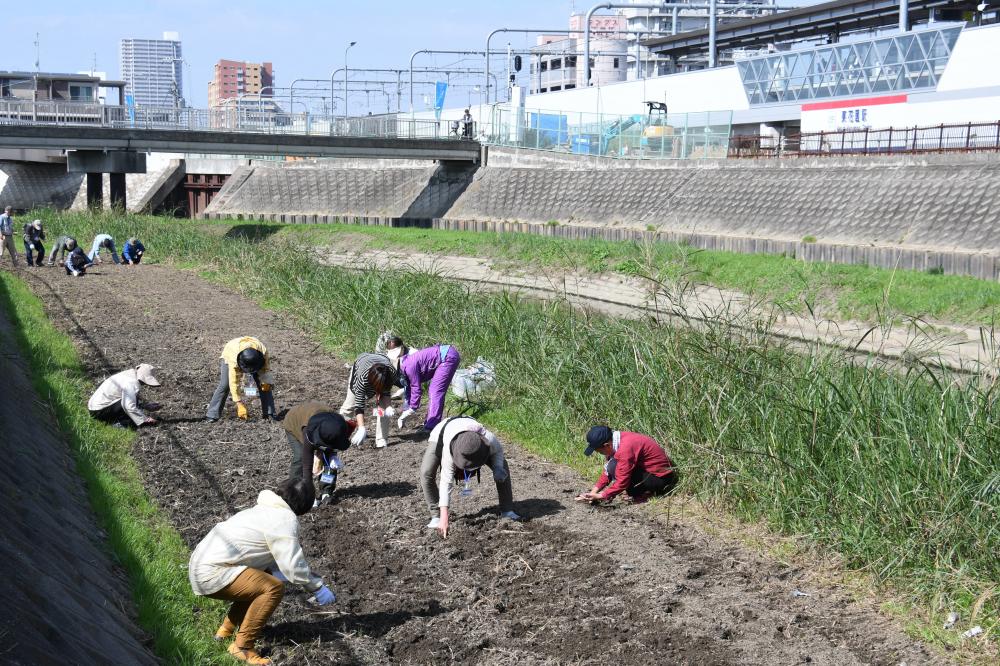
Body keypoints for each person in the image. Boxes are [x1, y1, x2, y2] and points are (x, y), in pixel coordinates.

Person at [189, 478, 335, 665]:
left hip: (201, 566)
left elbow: (277, 562)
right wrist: (317, 587)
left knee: (262, 577)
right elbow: (293, 566)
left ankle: (225, 631)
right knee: (272, 588)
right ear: (304, 506)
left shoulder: (263, 509)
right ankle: (242, 647)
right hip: (211, 574)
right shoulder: (285, 520)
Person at [422, 416, 520, 538]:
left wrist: (498, 467)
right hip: (443, 433)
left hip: (474, 440)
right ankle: (436, 516)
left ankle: (507, 510)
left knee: (503, 468)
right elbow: (446, 482)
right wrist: (444, 517)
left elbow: (498, 451)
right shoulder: (449, 450)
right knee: (426, 473)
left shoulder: (488, 439)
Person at [575, 426, 678, 504]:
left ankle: (647, 493)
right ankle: (640, 492)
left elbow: (622, 481)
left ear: (606, 445)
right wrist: (593, 493)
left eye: (599, 451)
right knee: (613, 466)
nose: (600, 454)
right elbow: (607, 471)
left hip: (661, 478)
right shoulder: (615, 441)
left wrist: (601, 496)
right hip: (646, 471)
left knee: (618, 471)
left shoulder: (625, 448)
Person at [282, 402, 357, 505]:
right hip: (294, 422)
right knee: (300, 458)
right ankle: (294, 492)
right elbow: (307, 466)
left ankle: (326, 491)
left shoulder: (339, 427)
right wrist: (309, 495)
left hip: (321, 427)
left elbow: (334, 445)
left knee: (329, 462)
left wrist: (333, 455)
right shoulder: (307, 430)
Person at [338, 350, 402, 449]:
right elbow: (359, 406)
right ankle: (338, 433)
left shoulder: (391, 373)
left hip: (381, 364)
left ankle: (381, 439)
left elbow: (386, 391)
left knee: (383, 409)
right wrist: (361, 428)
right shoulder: (362, 378)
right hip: (361, 363)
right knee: (349, 406)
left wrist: (388, 406)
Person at [206, 336, 276, 422]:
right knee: (225, 384)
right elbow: (233, 382)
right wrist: (239, 403)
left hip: (255, 359)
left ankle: (269, 413)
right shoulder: (234, 359)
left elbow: (266, 369)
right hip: (230, 352)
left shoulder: (263, 352)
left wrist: (266, 382)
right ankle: (212, 414)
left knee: (265, 385)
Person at [397, 343, 461, 431]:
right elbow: (408, 388)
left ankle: (431, 427)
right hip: (443, 356)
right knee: (434, 390)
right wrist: (405, 410)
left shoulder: (408, 367)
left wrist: (411, 409)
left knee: (435, 391)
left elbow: (416, 388)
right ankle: (430, 423)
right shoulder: (403, 370)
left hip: (447, 357)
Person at [87, 363, 162, 428]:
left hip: (95, 408)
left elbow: (129, 399)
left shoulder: (129, 374)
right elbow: (128, 406)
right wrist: (145, 420)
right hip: (99, 411)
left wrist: (144, 405)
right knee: (133, 420)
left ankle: (117, 420)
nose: (145, 384)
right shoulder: (132, 382)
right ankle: (119, 425)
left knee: (133, 406)